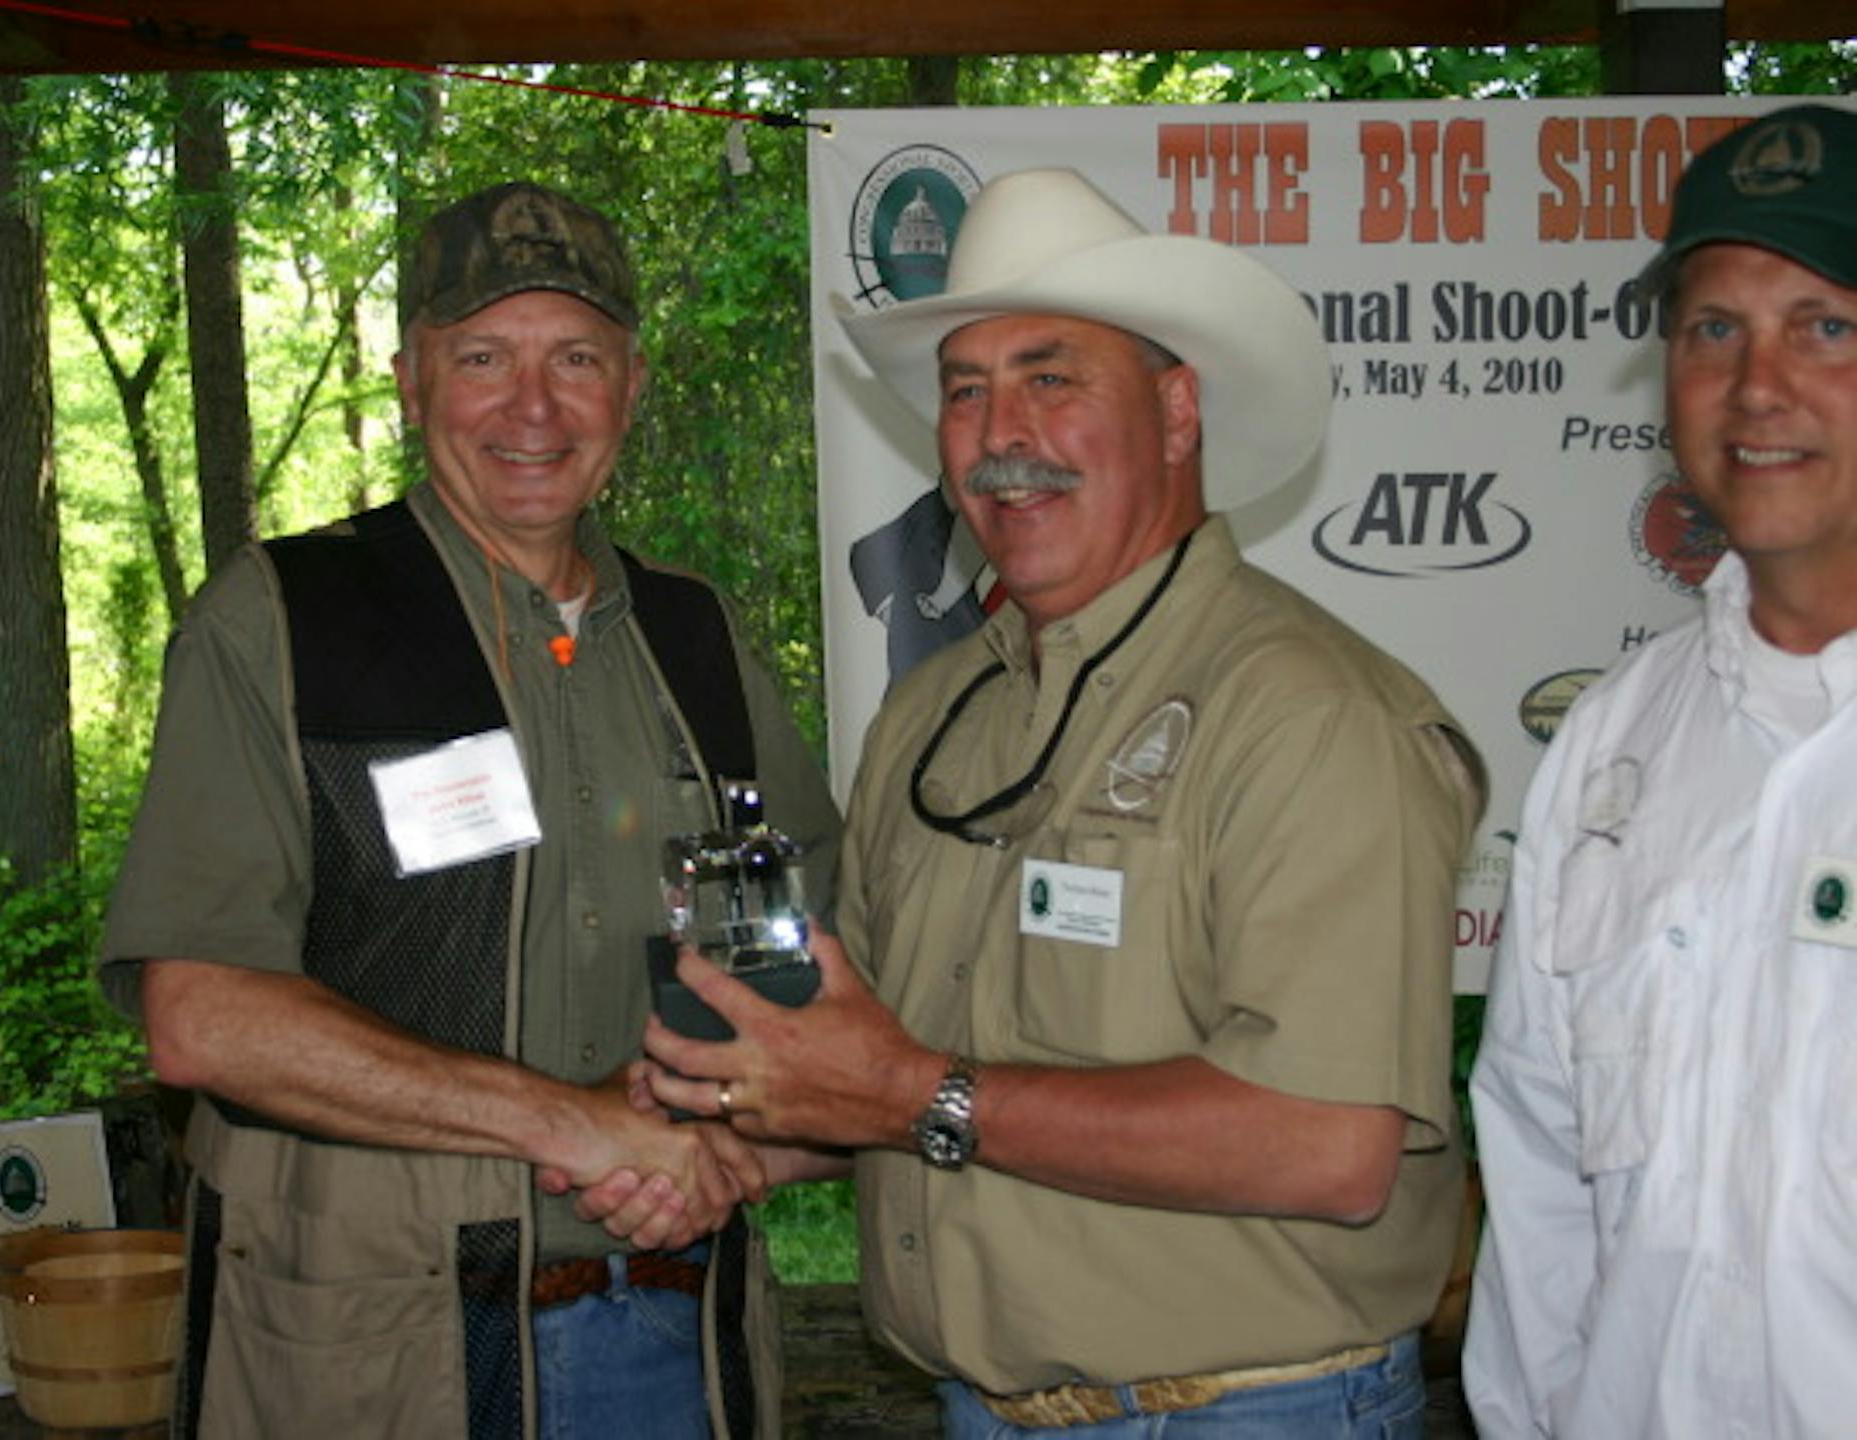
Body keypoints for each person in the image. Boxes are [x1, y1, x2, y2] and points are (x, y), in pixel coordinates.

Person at [614, 167, 1485, 1437]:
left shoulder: (1310, 713)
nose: (996, 430)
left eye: (1051, 376)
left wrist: (909, 1095)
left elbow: (1330, 1148)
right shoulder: (934, 715)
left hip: (1245, 1413)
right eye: (964, 389)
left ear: (1177, 411)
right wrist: (748, 1122)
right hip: (989, 1408)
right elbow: (902, 1068)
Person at [99, 180, 840, 1440]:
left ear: (634, 384)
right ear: (409, 377)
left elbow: (822, 978)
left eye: (577, 359)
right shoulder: (284, 622)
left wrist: (734, 1155)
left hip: (677, 1332)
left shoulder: (698, 641)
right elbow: (202, 1019)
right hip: (377, 1354)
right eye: (485, 357)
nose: (533, 408)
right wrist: (576, 1126)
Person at [1464, 102, 1857, 1439]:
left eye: (1826, 327)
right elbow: (1536, 1178)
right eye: (1713, 330)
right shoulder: (1610, 748)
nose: (1759, 387)